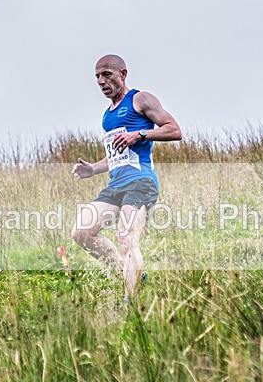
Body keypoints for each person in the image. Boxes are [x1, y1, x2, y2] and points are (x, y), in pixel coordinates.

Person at [71, 54, 182, 299]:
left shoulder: (140, 99)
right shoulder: (107, 116)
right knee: (81, 232)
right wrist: (94, 169)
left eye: (106, 74)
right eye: (97, 76)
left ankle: (129, 302)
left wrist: (139, 134)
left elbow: (174, 130)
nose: (101, 81)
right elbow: (117, 156)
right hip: (116, 185)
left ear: (123, 74)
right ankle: (129, 273)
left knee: (126, 238)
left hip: (141, 182)